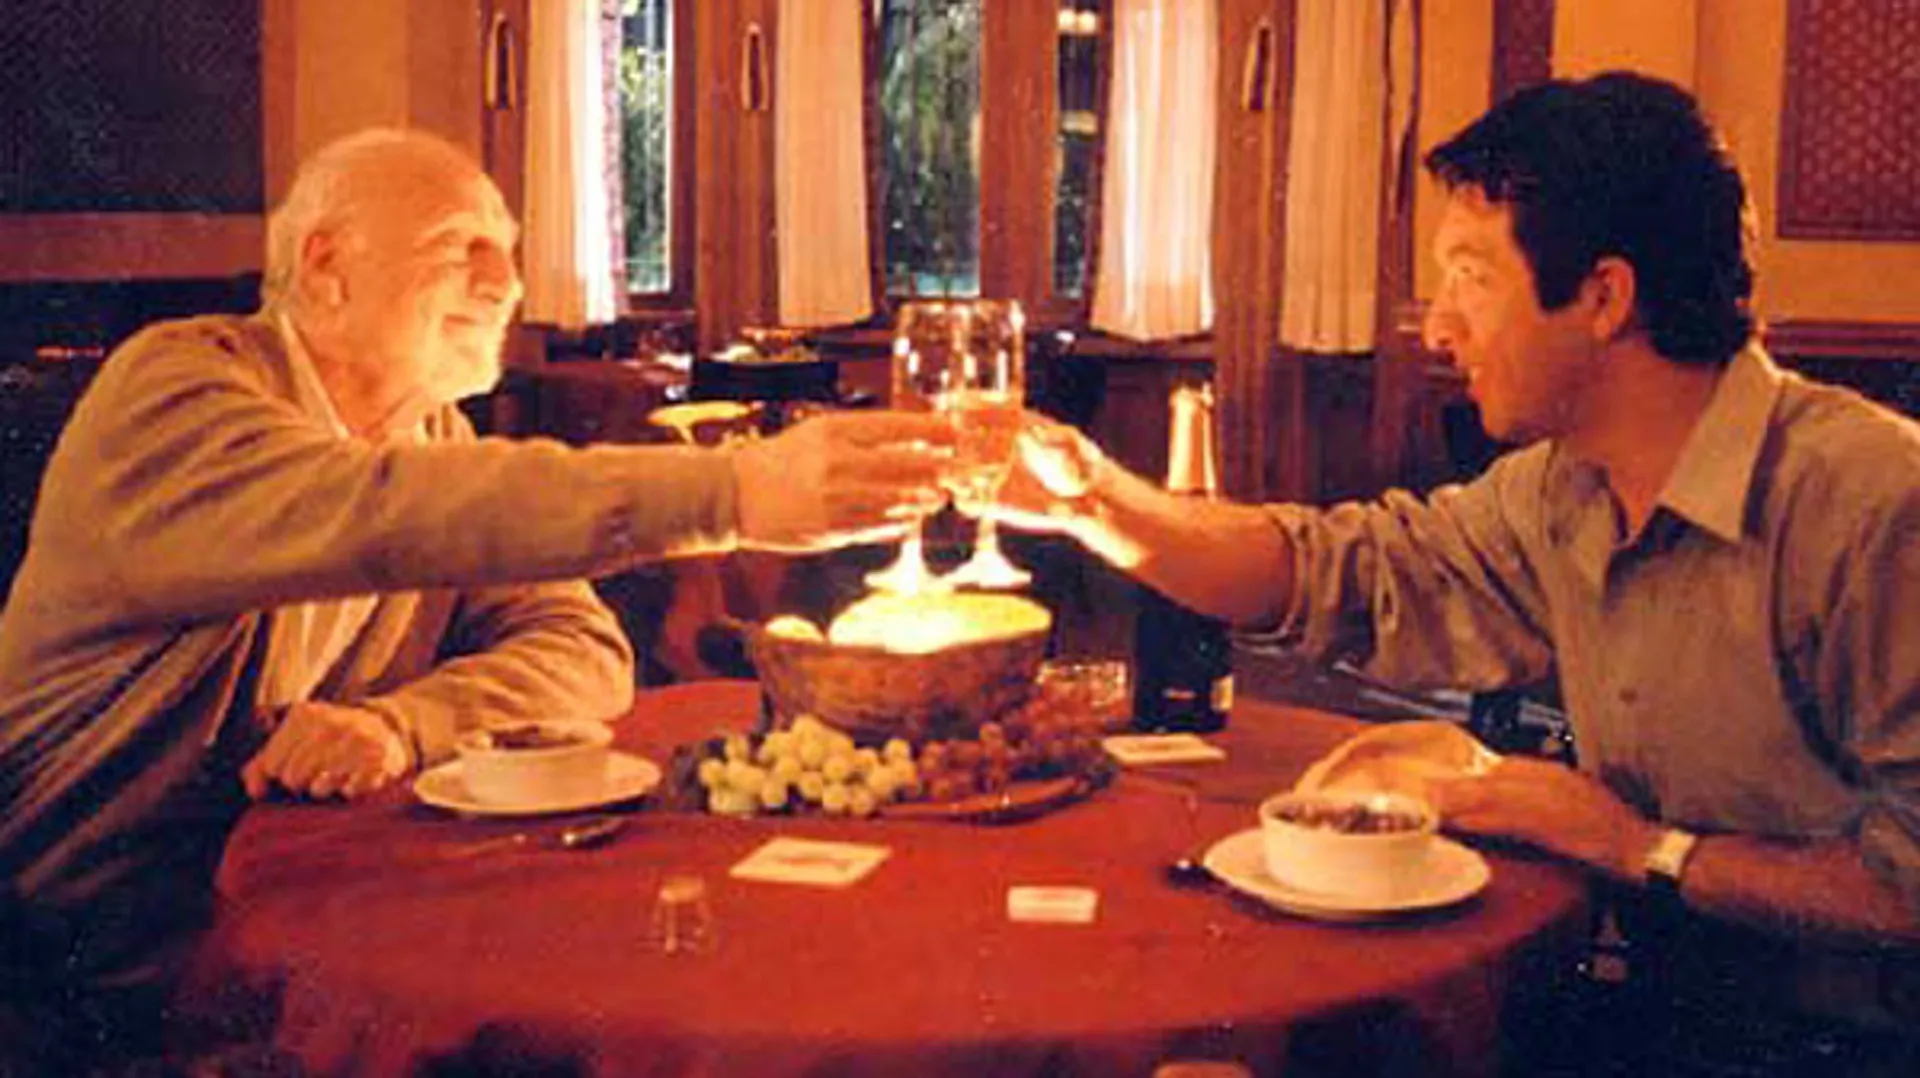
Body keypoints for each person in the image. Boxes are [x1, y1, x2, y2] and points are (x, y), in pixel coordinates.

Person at [1002, 72, 1919, 1073]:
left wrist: (1643, 848)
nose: (1438, 327)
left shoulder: (1871, 503)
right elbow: (1346, 573)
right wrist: (1090, 499)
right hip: (1667, 1015)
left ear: (1604, 297)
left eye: (1472, 276)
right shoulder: (1560, 489)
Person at [0, 127, 950, 1070]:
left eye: (510, 250)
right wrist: (734, 492)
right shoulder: (175, 389)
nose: (508, 284)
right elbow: (375, 511)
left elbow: (581, 646)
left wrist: (402, 723)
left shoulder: (429, 435)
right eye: (462, 247)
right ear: (326, 268)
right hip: (88, 982)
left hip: (274, 920)